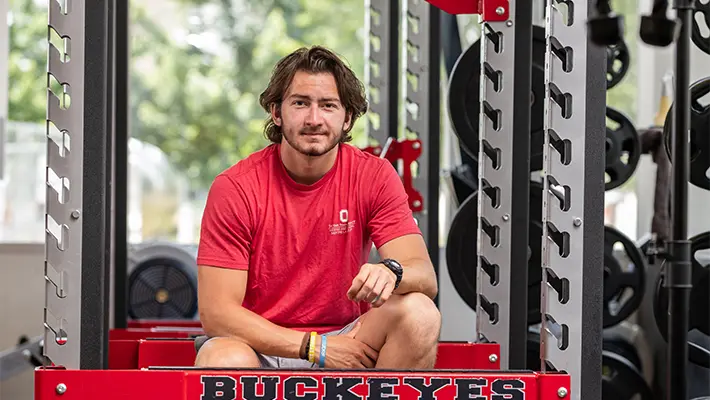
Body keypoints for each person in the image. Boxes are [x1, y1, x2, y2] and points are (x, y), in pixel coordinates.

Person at [193, 45, 441, 370]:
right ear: (276, 112)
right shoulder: (236, 188)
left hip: (348, 340)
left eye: (328, 106)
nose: (314, 119)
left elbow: (424, 275)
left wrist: (391, 271)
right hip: (260, 344)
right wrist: (315, 347)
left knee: (420, 313)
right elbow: (217, 314)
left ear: (347, 117)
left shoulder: (374, 176)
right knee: (219, 358)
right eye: (300, 103)